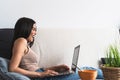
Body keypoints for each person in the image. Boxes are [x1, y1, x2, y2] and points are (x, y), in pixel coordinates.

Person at [9, 17, 79, 80]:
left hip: (41, 74)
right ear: (25, 28)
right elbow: (12, 68)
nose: (35, 33)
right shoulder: (21, 41)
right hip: (40, 77)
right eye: (33, 29)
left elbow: (35, 69)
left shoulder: (24, 44)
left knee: (83, 71)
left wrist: (57, 68)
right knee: (83, 72)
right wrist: (41, 74)